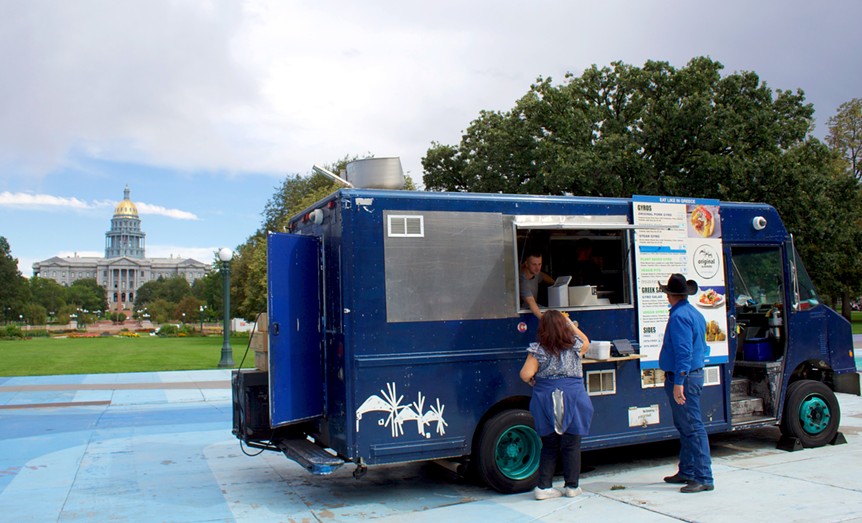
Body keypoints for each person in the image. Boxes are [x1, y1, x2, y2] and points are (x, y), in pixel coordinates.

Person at [519, 310, 594, 500]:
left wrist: (532, 382)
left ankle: (543, 488)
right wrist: (569, 323)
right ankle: (572, 486)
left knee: (550, 444)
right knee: (571, 444)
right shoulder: (575, 346)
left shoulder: (539, 349)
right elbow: (587, 341)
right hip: (573, 396)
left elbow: (525, 374)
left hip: (546, 397)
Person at [658, 273, 715, 493]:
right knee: (687, 426)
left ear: (669, 295)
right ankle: (688, 470)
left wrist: (679, 381)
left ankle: (703, 477)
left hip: (685, 376)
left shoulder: (679, 317)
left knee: (692, 427)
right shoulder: (694, 313)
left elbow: (684, 352)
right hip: (693, 375)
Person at [519, 251, 555, 319]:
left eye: (539, 264)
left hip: (534, 309)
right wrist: (543, 319)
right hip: (523, 314)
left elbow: (542, 276)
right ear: (526, 264)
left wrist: (555, 283)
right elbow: (531, 301)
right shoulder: (521, 280)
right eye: (534, 264)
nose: (537, 268)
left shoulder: (535, 273)